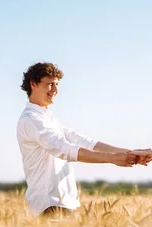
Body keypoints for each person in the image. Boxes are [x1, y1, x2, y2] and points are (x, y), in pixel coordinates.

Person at [17, 62, 144, 216]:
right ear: (33, 84)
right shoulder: (31, 120)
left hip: (61, 202)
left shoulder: (47, 117)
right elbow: (63, 149)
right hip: (48, 204)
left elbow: (83, 141)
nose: (55, 90)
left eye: (57, 85)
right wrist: (113, 159)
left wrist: (129, 152)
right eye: (50, 84)